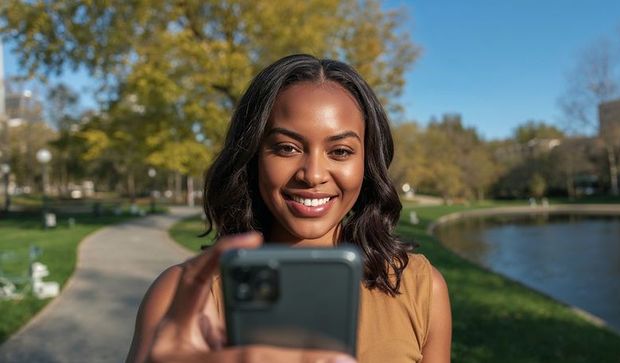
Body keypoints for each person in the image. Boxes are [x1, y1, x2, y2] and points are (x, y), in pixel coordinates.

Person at [126, 54, 452, 363]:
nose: (313, 175)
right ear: (253, 157)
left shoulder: (421, 288)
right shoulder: (182, 299)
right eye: (286, 148)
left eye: (339, 151)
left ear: (367, 163)